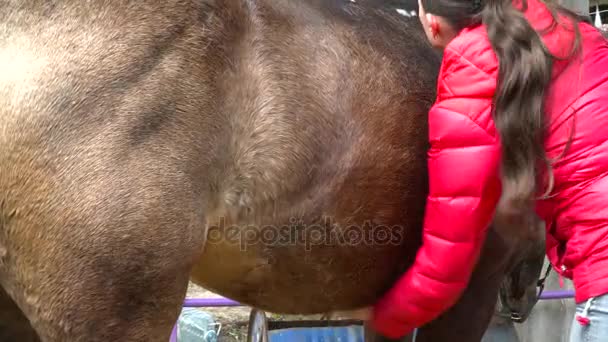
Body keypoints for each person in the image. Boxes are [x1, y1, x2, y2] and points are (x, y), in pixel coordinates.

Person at [351, 0, 608, 341]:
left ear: (431, 22)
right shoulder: (574, 31)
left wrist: (384, 317)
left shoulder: (472, 65)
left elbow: (447, 258)